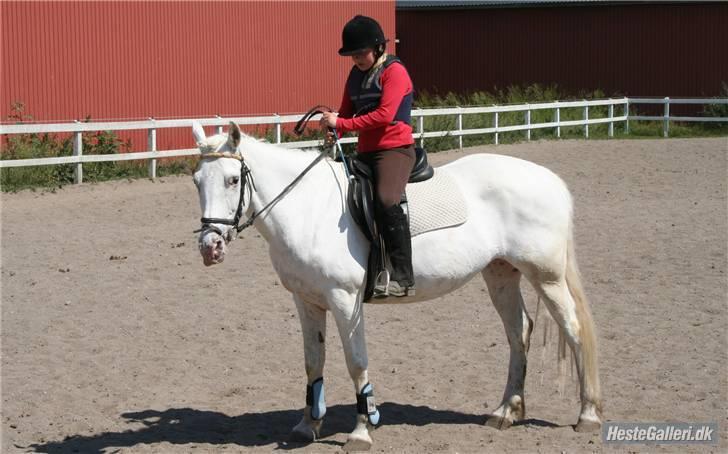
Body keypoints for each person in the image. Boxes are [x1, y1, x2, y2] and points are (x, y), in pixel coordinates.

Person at [320, 15, 416, 298]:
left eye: (360, 53)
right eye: (352, 55)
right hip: (365, 151)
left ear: (377, 48)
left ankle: (402, 273)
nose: (357, 59)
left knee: (386, 201)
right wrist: (334, 128)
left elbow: (385, 115)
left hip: (394, 149)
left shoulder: (394, 72)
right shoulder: (356, 75)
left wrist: (342, 124)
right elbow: (346, 113)